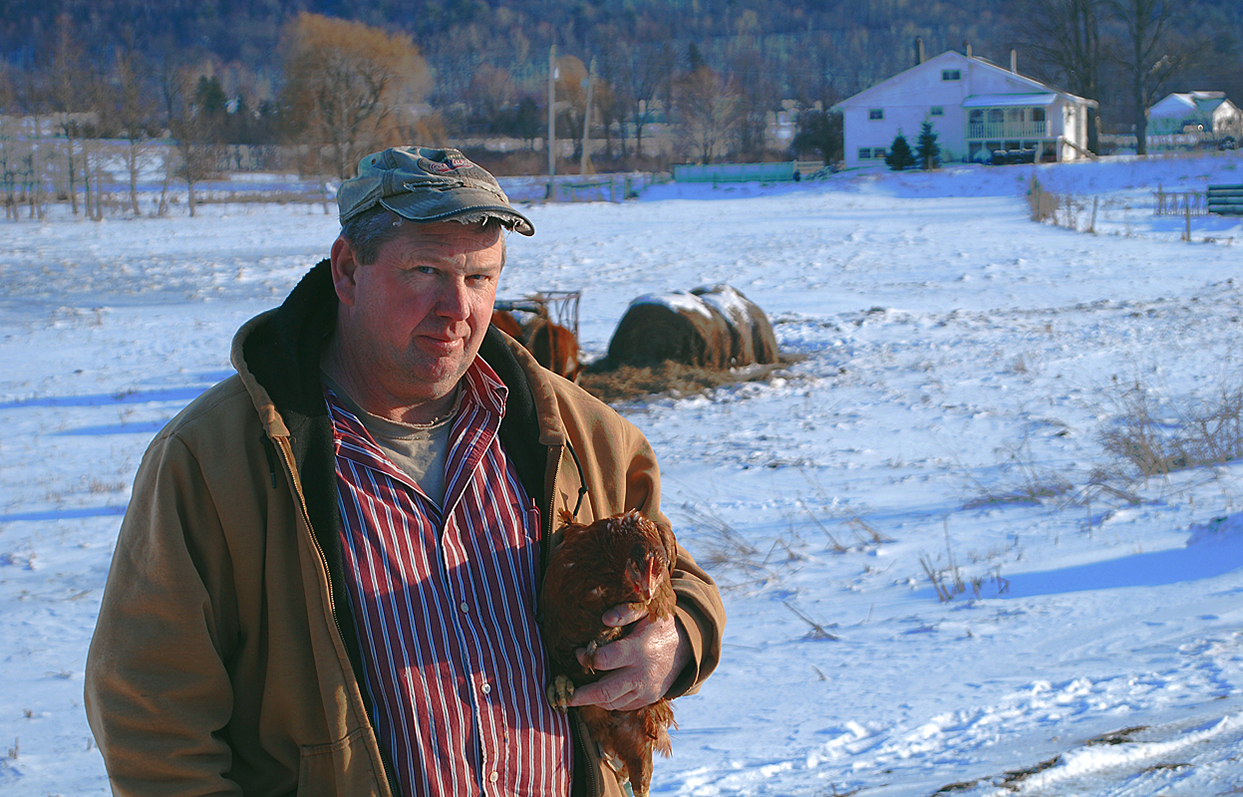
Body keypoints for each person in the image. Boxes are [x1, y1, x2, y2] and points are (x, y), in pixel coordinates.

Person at [84, 146, 725, 797]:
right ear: (347, 271)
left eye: (480, 278)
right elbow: (151, 720)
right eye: (425, 270)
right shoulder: (217, 460)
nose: (457, 306)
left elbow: (680, 584)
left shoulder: (572, 432)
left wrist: (674, 642)